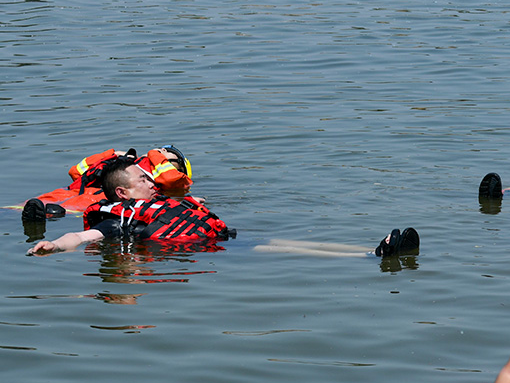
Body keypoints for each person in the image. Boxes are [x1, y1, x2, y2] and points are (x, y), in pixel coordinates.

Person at [26, 157, 419, 257]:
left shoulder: (165, 202)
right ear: (124, 195)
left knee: (278, 240)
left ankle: (367, 251)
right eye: (142, 179)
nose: (151, 179)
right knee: (272, 250)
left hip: (221, 238)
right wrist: (52, 245)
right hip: (206, 250)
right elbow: (82, 234)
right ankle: (370, 257)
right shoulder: (118, 221)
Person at [20, 145, 193, 221]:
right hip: (77, 191)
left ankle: (45, 216)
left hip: (99, 199)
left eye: (168, 156)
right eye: (162, 152)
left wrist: (155, 154)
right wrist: (111, 154)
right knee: (21, 207)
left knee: (55, 211)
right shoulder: (130, 165)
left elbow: (171, 179)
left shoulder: (170, 183)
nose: (163, 153)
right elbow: (76, 172)